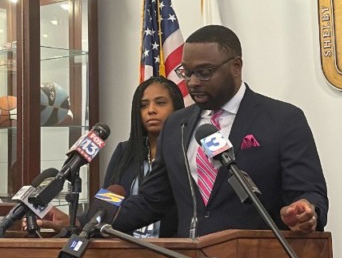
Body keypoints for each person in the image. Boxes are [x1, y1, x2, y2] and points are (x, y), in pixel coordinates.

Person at [111, 24, 327, 237]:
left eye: (204, 72)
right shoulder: (177, 125)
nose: (192, 82)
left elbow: (309, 193)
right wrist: (91, 221)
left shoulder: (283, 120)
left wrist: (305, 212)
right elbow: (152, 200)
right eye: (186, 72)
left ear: (236, 66)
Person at [102, 76, 185, 238]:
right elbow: (107, 203)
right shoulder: (124, 152)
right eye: (144, 105)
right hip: (124, 249)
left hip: (171, 249)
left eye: (160, 103)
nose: (151, 110)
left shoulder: (185, 151)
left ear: (177, 108)